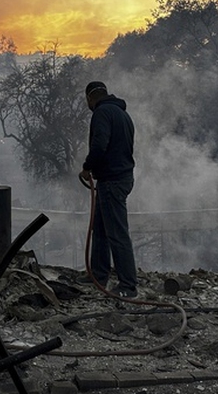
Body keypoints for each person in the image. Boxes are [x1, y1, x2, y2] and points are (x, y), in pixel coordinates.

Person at [79, 80, 138, 298]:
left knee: (117, 234)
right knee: (101, 230)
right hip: (120, 178)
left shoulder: (101, 113)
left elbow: (99, 145)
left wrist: (87, 167)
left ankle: (128, 286)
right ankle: (98, 274)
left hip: (112, 181)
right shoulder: (123, 115)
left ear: (90, 98)